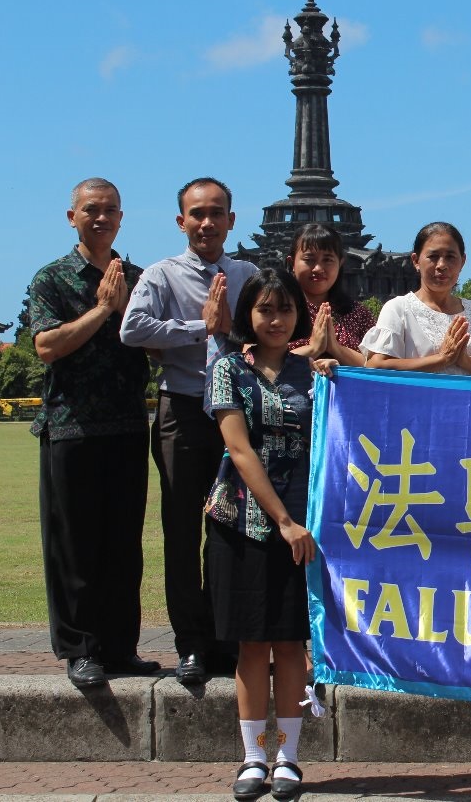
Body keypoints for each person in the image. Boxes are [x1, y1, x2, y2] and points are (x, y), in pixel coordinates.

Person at [121, 177, 259, 684]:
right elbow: (132, 329)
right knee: (182, 531)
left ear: (231, 220)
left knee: (233, 531)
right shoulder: (162, 276)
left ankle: (229, 639)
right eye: (197, 214)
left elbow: (269, 328)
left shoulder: (247, 274)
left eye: (216, 213)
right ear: (181, 221)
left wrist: (234, 330)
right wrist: (201, 327)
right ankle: (192, 644)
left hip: (239, 414)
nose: (207, 223)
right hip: (183, 408)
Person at [28, 177, 158, 688]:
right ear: (72, 217)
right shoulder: (53, 279)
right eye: (91, 210)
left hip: (128, 425)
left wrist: (127, 306)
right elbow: (46, 347)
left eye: (110, 210)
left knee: (123, 544)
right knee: (74, 544)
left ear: (122, 217)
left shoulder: (141, 278)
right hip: (71, 427)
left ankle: (120, 646)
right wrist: (103, 308)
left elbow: (159, 347)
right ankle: (80, 648)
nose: (101, 218)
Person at [204, 267, 322, 801]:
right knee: (252, 643)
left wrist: (299, 523)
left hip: (303, 526)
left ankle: (290, 759)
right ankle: (254, 757)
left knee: (291, 643)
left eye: (285, 310)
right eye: (265, 310)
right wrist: (282, 520)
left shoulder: (313, 375)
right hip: (244, 522)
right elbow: (240, 449)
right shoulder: (229, 369)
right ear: (249, 314)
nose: (275, 320)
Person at [360, 222, 471, 377]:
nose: (442, 265)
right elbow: (376, 366)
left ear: (463, 261)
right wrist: (442, 359)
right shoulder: (399, 309)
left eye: (450, 257)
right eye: (433, 256)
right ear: (416, 261)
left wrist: (466, 361)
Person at [286, 222, 375, 367]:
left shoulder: (359, 314)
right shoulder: (277, 310)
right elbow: (256, 361)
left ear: (340, 263)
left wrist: (335, 348)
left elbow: (376, 367)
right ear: (292, 263)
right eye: (309, 260)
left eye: (327, 260)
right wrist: (313, 349)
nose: (318, 268)